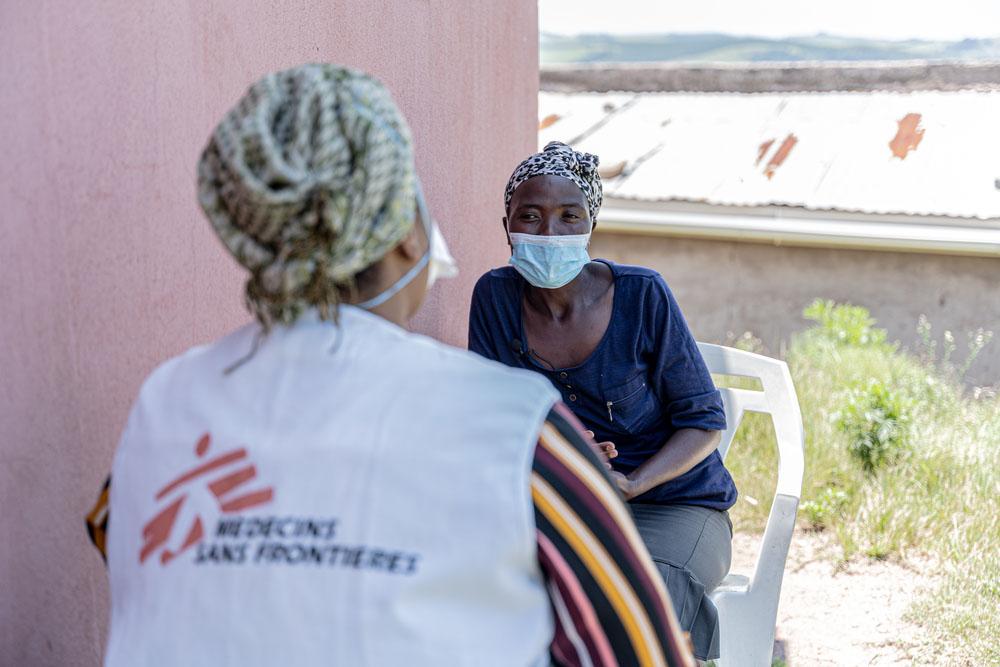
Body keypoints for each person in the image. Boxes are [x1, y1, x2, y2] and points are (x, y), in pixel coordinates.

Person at [85, 65, 695, 667]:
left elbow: (120, 538)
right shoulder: (511, 426)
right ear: (408, 232)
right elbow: (641, 650)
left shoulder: (166, 402)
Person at [468, 141, 737, 663]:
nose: (549, 234)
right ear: (507, 225)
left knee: (641, 595)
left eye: (569, 216)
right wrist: (559, 448)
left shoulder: (642, 296)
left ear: (591, 224)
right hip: (564, 501)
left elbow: (703, 422)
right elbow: (489, 421)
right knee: (499, 595)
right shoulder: (495, 299)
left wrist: (631, 482)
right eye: (531, 216)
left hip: (675, 505)